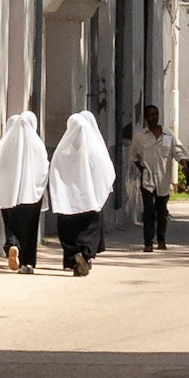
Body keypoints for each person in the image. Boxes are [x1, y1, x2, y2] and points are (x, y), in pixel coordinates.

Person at [48, 110, 115, 277]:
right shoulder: (95, 151)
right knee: (89, 232)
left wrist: (60, 196)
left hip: (67, 204)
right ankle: (84, 255)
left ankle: (74, 259)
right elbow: (108, 173)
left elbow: (53, 174)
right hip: (89, 202)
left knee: (68, 233)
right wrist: (99, 192)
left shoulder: (61, 152)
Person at [0, 111, 50, 274]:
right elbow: (44, 169)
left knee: (12, 224)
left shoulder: (5, 144)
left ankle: (13, 244)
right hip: (31, 196)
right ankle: (27, 263)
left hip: (9, 194)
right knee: (30, 229)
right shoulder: (38, 145)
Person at [131, 105, 183, 253]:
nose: (154, 117)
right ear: (146, 118)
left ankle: (161, 239)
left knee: (162, 211)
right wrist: (143, 169)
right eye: (151, 115)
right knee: (148, 211)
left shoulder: (167, 135)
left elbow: (176, 150)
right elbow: (134, 156)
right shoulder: (140, 136)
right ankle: (148, 242)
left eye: (156, 114)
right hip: (147, 180)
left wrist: (183, 161)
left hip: (163, 179)